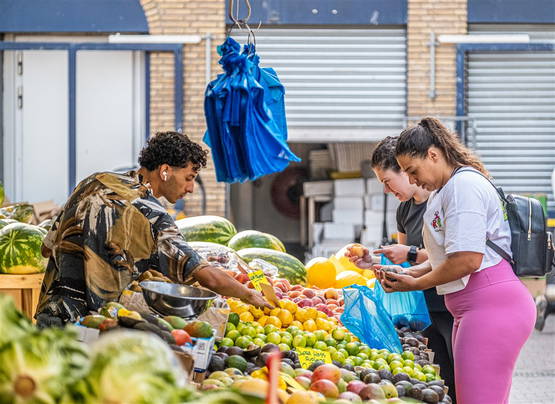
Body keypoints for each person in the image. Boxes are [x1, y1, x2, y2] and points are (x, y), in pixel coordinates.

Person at [370, 118, 535, 404]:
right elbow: (444, 256)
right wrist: (406, 271)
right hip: (474, 308)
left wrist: (416, 283)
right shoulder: (446, 190)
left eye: (413, 170)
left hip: (490, 307)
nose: (411, 180)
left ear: (433, 155)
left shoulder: (464, 187)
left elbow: (467, 260)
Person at [36, 131, 270, 327]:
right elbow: (208, 277)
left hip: (53, 314)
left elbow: (47, 248)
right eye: (189, 177)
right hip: (92, 327)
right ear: (165, 170)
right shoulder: (151, 214)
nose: (190, 188)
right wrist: (249, 295)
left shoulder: (94, 181)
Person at [367, 136, 456, 403]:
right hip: (423, 309)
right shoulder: (404, 211)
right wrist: (372, 260)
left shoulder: (442, 200)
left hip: (450, 305)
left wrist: (411, 253)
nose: (386, 190)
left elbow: (455, 255)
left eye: (387, 181)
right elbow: (403, 262)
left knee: (465, 379)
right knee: (446, 381)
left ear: (404, 170)